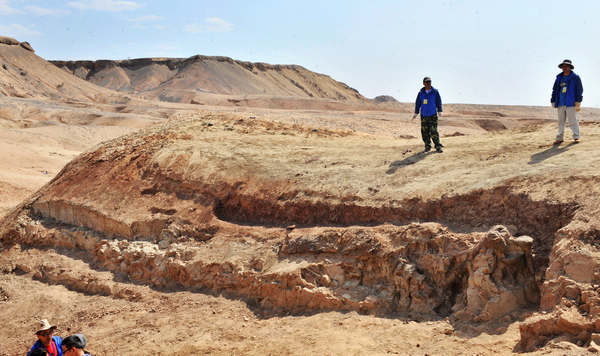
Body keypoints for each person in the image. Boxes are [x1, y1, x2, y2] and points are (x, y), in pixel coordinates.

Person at [551, 59, 583, 144]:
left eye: (566, 66)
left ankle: (576, 137)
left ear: (570, 67)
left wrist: (578, 101)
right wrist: (553, 100)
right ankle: (559, 138)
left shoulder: (575, 77)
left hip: (571, 103)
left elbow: (579, 89)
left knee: (573, 120)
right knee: (561, 121)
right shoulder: (559, 77)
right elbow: (555, 89)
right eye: (563, 66)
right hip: (561, 102)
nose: (565, 68)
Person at [412, 77, 444, 153]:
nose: (428, 83)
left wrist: (440, 111)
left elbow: (438, 101)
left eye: (429, 82)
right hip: (424, 115)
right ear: (423, 83)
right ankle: (427, 146)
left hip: (432, 114)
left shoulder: (435, 92)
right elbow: (418, 103)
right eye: (427, 82)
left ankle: (437, 146)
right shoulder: (420, 93)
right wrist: (416, 112)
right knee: (425, 132)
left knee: (434, 131)